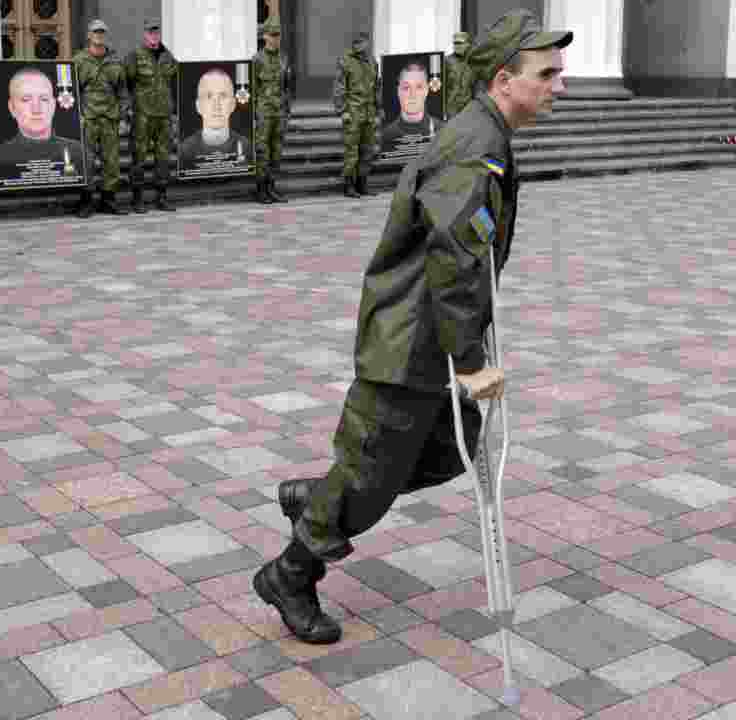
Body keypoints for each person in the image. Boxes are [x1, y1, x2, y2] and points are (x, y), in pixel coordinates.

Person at [252, 8, 572, 645]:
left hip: (424, 341)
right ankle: (290, 572)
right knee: (370, 484)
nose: (559, 86)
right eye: (548, 75)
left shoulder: (485, 136)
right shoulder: (474, 148)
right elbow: (455, 262)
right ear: (505, 80)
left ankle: (321, 494)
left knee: (449, 448)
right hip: (407, 345)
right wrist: (474, 362)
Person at [72, 19, 130, 217]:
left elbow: (122, 91)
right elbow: (72, 92)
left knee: (111, 161)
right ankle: (86, 200)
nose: (99, 36)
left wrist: (123, 117)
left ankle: (108, 199)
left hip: (110, 119)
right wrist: (76, 115)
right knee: (86, 161)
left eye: (102, 33)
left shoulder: (115, 61)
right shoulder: (79, 61)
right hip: (88, 119)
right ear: (89, 35)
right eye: (96, 32)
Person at [0, 68, 85, 186]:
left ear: (53, 106)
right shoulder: (1, 156)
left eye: (44, 99)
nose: (36, 109)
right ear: (12, 107)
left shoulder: (77, 152)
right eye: (26, 99)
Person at [124, 17, 178, 213]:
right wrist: (128, 108)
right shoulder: (135, 55)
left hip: (163, 115)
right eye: (150, 32)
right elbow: (126, 83)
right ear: (144, 34)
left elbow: (175, 80)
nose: (154, 35)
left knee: (163, 157)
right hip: (143, 114)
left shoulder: (168, 56)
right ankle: (137, 199)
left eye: (156, 32)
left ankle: (161, 197)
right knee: (139, 157)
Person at [252, 16, 295, 204]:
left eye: (278, 35)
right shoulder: (257, 59)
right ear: (264, 37)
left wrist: (288, 111)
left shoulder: (283, 58)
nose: (276, 39)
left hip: (279, 113)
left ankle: (272, 187)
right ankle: (261, 190)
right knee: (263, 151)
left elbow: (287, 87)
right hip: (263, 113)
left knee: (276, 152)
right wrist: (253, 115)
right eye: (272, 35)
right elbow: (251, 89)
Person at [333, 31, 381, 198]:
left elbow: (377, 88)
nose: (360, 45)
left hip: (369, 113)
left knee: (367, 150)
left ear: (367, 43)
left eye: (363, 42)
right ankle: (349, 185)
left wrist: (378, 110)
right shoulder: (345, 61)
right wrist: (342, 110)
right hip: (353, 112)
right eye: (357, 43)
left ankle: (362, 183)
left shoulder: (372, 62)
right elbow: (339, 88)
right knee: (351, 150)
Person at [178, 68, 252, 168]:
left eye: (223, 96)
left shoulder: (246, 147)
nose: (216, 105)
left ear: (233, 104)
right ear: (198, 106)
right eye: (208, 96)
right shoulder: (185, 151)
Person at [380, 61, 442, 152]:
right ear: (398, 91)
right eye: (406, 88)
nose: (412, 95)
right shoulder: (385, 136)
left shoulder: (443, 131)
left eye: (419, 87)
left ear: (427, 91)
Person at [445, 31, 475, 119]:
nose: (457, 45)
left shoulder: (472, 62)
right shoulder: (447, 61)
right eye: (455, 43)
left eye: (460, 43)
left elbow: (476, 86)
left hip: (468, 106)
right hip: (452, 107)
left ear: (468, 44)